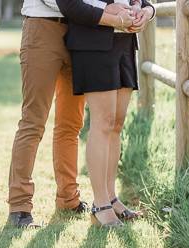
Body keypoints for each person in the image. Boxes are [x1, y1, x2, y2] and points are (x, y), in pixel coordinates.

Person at [7, 0, 137, 228]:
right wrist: (108, 11)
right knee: (33, 121)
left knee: (71, 124)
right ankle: (19, 206)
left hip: (81, 33)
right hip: (43, 28)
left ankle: (68, 198)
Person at [65, 0, 155, 227]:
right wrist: (112, 15)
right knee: (103, 123)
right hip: (93, 42)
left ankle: (111, 197)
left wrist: (146, 12)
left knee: (116, 124)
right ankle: (100, 204)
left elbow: (142, 2)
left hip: (124, 43)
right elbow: (70, 5)